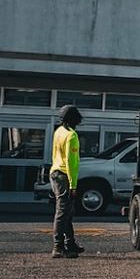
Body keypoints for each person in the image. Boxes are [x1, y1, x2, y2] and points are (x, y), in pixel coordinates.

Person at [49, 104, 84, 258]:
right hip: (64, 175)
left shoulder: (59, 131)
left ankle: (70, 243)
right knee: (63, 211)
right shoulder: (72, 135)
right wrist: (73, 184)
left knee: (67, 211)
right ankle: (58, 247)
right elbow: (71, 162)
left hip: (55, 172)